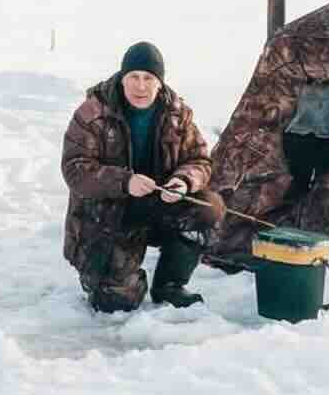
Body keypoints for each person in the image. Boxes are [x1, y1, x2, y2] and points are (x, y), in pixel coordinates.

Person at [60, 41, 215, 314]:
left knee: (207, 207)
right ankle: (109, 278)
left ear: (160, 83)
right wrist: (123, 182)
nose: (140, 86)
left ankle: (170, 285)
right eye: (133, 77)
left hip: (158, 204)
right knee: (118, 303)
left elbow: (200, 160)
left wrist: (183, 181)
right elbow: (74, 169)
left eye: (148, 78)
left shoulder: (178, 114)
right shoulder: (92, 113)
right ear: (122, 79)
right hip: (109, 214)